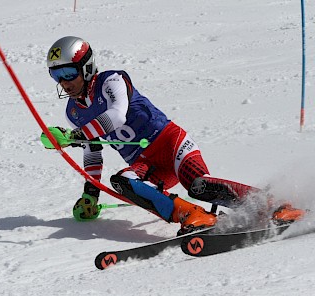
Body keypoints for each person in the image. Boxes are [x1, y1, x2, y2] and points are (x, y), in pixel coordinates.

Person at [44, 36, 305, 234]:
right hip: (147, 164)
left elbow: (117, 115)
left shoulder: (111, 81)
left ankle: (277, 206)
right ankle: (194, 216)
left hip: (171, 143)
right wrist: (91, 194)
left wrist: (75, 135)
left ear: (86, 67)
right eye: (57, 75)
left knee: (198, 185)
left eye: (69, 73)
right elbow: (93, 150)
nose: (64, 82)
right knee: (123, 181)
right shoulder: (73, 111)